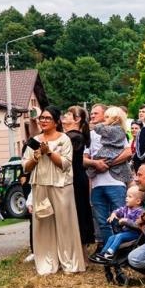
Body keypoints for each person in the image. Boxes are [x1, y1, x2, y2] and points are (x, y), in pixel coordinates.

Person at [23, 107, 84, 275]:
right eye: (42, 118)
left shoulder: (64, 139)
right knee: (43, 222)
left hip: (61, 185)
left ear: (56, 121)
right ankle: (47, 262)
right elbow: (26, 167)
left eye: (48, 118)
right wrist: (35, 157)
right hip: (40, 184)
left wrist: (48, 152)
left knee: (65, 223)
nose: (43, 121)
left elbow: (65, 164)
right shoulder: (34, 140)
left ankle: (70, 262)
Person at [86, 104, 134, 252]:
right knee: (102, 221)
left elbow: (127, 153)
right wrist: (95, 163)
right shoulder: (90, 134)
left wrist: (108, 163)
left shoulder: (117, 132)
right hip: (96, 183)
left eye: (97, 114)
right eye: (91, 114)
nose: (93, 116)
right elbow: (84, 158)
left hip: (116, 181)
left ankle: (124, 250)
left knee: (120, 218)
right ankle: (108, 250)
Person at [61, 105, 96, 246]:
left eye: (69, 114)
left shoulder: (75, 137)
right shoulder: (70, 136)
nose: (65, 116)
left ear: (77, 119)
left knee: (78, 211)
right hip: (75, 177)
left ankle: (81, 247)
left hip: (75, 179)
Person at [91, 182, 145, 265]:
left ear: (138, 201)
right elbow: (118, 210)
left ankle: (110, 253)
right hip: (126, 233)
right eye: (126, 196)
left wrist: (125, 221)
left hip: (135, 234)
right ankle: (102, 254)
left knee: (119, 236)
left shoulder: (140, 211)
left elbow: (137, 225)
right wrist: (113, 214)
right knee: (112, 237)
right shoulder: (126, 208)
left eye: (129, 197)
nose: (126, 198)